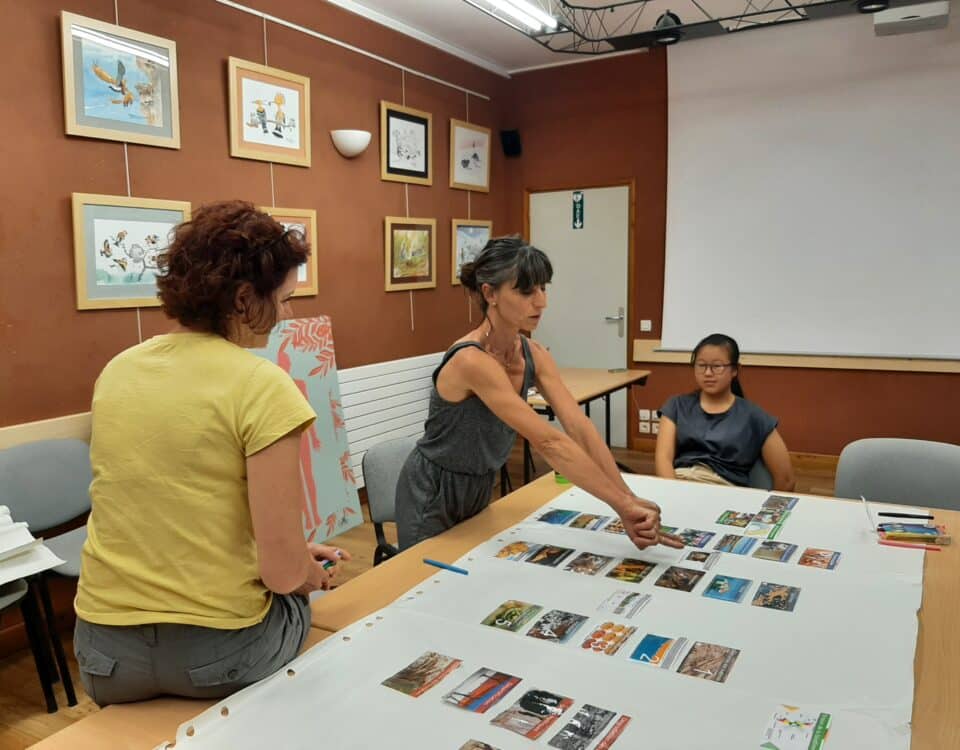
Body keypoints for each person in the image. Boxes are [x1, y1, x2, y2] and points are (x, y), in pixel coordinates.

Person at [74, 200, 351, 706]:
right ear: (245, 299)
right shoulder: (261, 384)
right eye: (283, 298)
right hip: (216, 657)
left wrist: (282, 550)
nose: (287, 313)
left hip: (103, 656)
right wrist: (308, 570)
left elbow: (172, 505)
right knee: (302, 600)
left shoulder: (118, 370)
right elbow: (284, 575)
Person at [394, 236, 683, 552]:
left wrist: (628, 498)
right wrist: (620, 505)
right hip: (433, 488)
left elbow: (579, 427)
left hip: (479, 483)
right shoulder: (471, 360)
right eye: (526, 291)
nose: (541, 301)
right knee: (424, 579)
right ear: (490, 293)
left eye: (544, 288)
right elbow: (549, 441)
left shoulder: (534, 353)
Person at [654, 333, 795, 490]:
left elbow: (786, 478)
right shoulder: (676, 406)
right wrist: (674, 492)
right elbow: (663, 458)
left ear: (735, 370)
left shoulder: (753, 416)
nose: (708, 373)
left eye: (717, 366)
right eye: (701, 365)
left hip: (723, 490)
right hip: (679, 482)